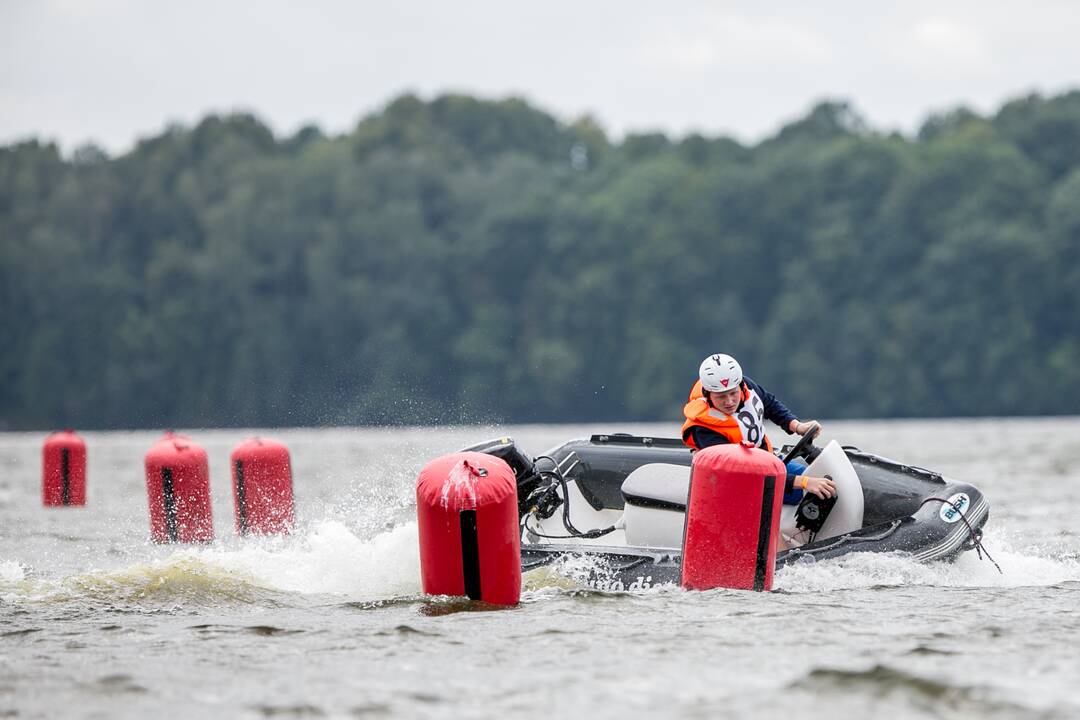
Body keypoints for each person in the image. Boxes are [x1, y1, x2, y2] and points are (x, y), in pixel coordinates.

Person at [681, 353, 836, 504]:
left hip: (770, 462)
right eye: (721, 396)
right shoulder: (703, 429)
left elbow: (769, 403)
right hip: (747, 485)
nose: (729, 401)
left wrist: (797, 425)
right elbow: (742, 472)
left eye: (733, 393)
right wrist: (803, 482)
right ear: (708, 394)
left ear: (740, 385)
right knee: (814, 490)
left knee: (829, 481)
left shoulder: (745, 386)